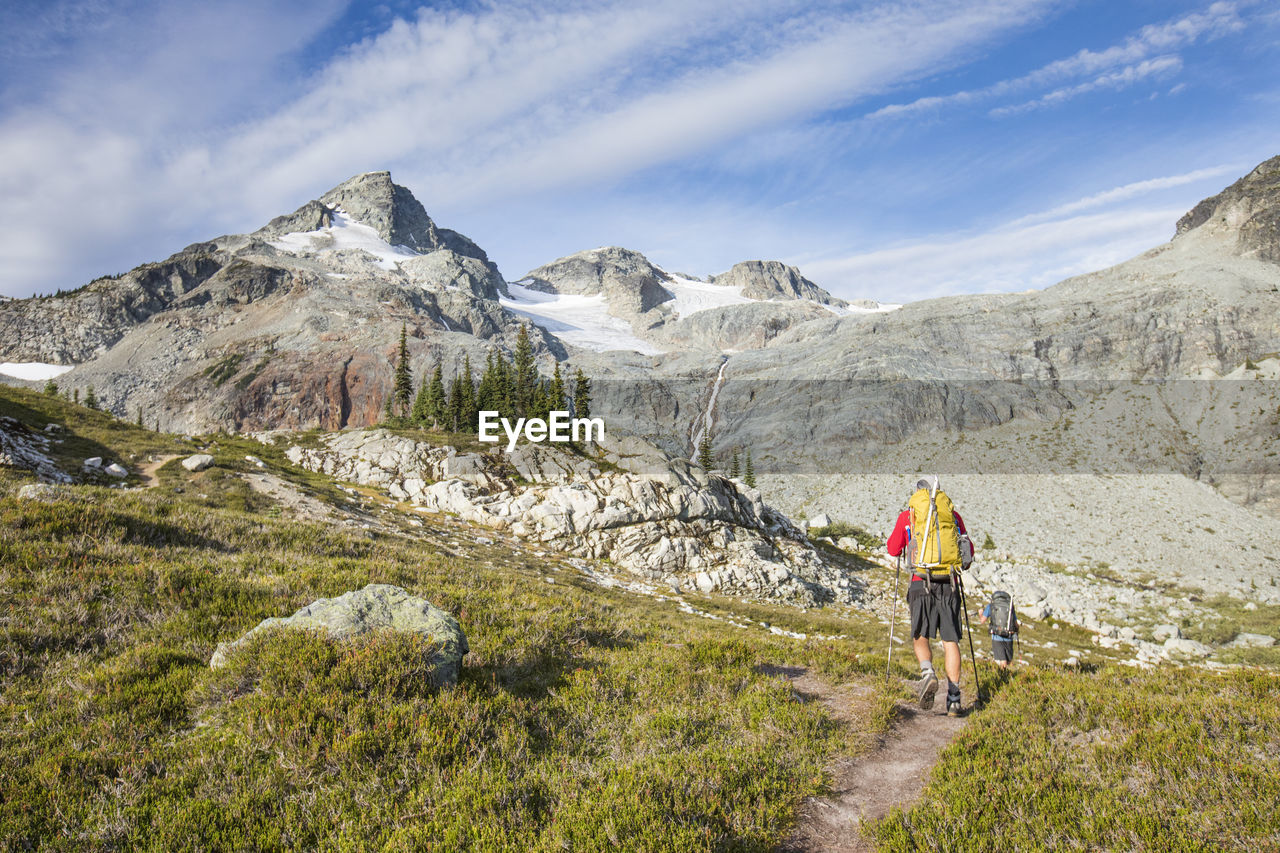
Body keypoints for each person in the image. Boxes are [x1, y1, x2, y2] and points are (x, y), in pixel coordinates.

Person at [886, 475, 970, 716]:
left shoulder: (909, 515)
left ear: (917, 494)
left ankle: (928, 673)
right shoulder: (952, 516)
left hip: (920, 582)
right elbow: (967, 550)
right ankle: (953, 698)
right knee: (950, 640)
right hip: (949, 583)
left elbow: (893, 548)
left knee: (920, 635)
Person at [978, 593, 1016, 669]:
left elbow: (982, 620)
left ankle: (1003, 678)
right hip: (1009, 637)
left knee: (1002, 661)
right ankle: (1007, 676)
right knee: (1008, 661)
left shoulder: (991, 606)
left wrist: (980, 613)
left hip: (997, 637)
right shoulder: (1010, 606)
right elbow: (1016, 623)